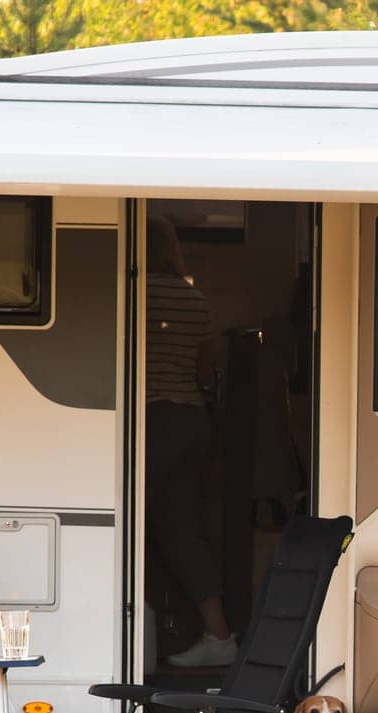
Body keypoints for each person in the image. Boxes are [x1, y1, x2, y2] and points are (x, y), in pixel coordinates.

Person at [145, 216, 235, 668]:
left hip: (153, 419)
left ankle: (136, 632)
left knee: (132, 526)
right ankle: (218, 633)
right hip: (190, 420)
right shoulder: (194, 298)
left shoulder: (137, 294)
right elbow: (204, 370)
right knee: (182, 531)